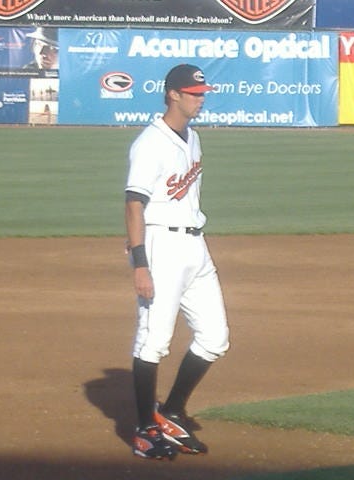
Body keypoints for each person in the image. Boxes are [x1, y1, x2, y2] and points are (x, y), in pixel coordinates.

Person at [124, 64, 230, 460]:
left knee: (215, 337)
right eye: (194, 92)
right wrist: (140, 263)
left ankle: (170, 412)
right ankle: (144, 430)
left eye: (202, 92)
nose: (200, 98)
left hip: (195, 247)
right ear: (172, 94)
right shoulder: (149, 144)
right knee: (153, 342)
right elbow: (134, 203)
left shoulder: (193, 138)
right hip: (160, 246)